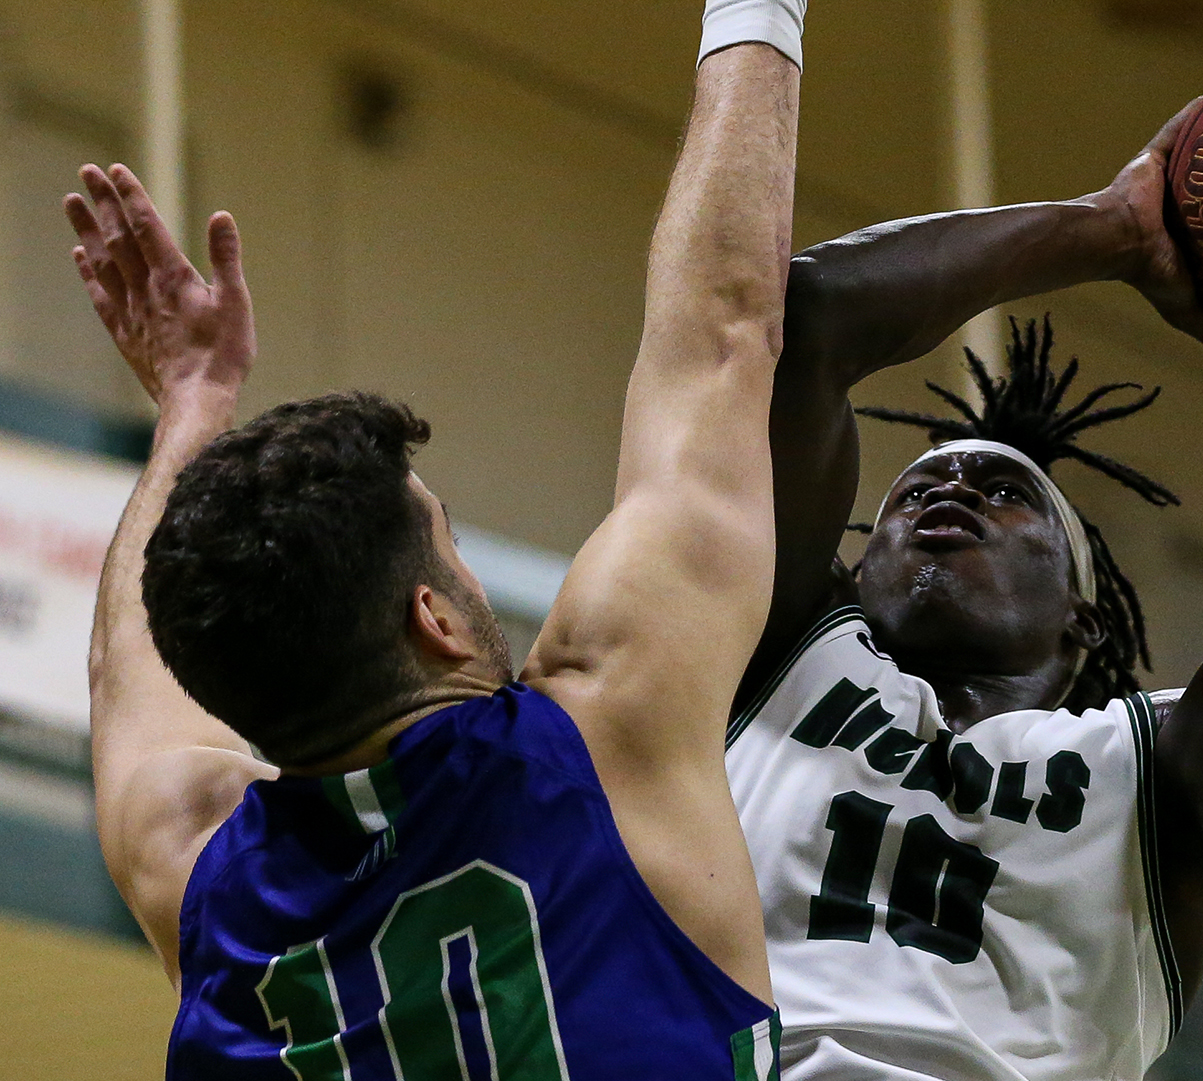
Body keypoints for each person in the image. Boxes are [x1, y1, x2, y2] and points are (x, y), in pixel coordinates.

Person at [726, 73, 1203, 1080]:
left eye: (1006, 497)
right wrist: (1116, 223)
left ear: (1084, 624)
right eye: (911, 493)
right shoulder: (782, 656)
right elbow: (808, 321)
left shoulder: (1157, 769)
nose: (947, 491)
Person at [74, 3, 805, 1075]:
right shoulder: (606, 732)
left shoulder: (195, 873)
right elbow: (726, 324)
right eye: (446, 538)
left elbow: (121, 665)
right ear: (433, 617)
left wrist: (188, 402)